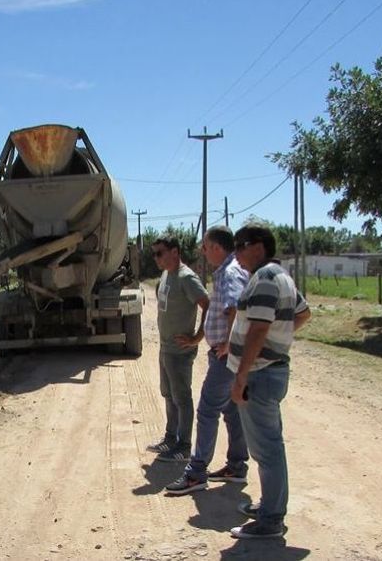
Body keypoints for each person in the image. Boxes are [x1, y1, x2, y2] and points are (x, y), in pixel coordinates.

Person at [226, 224, 311, 539]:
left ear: (258, 246)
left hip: (259, 375)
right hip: (268, 371)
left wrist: (241, 376)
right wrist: (281, 339)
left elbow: (258, 330)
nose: (237, 252)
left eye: (240, 245)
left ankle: (271, 519)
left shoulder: (264, 279)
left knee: (266, 449)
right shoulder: (281, 277)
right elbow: (302, 314)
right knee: (270, 445)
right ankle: (269, 506)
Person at [165, 225, 250, 494]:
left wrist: (228, 343)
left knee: (207, 410)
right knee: (231, 410)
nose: (202, 252)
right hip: (226, 354)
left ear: (216, 247)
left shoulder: (230, 272)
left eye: (205, 246)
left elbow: (236, 307)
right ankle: (236, 466)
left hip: (225, 356)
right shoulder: (228, 271)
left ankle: (196, 472)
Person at [146, 236, 209, 462]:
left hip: (180, 352)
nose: (156, 258)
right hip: (165, 349)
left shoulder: (187, 278)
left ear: (175, 252)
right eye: (154, 254)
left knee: (182, 398)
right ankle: (170, 439)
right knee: (168, 395)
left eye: (159, 253)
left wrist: (196, 338)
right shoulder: (165, 275)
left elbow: (208, 306)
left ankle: (184, 446)